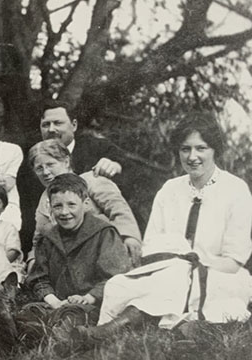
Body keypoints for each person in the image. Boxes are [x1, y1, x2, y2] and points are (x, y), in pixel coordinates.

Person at [72, 113, 252, 346]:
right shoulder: (170, 190)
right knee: (119, 283)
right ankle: (155, 326)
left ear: (214, 150)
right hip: (167, 272)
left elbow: (234, 262)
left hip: (220, 276)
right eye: (185, 149)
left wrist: (190, 263)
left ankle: (110, 330)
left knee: (177, 278)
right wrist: (175, 263)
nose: (192, 157)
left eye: (201, 148)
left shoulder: (235, 190)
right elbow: (152, 248)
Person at [23, 174, 130, 328]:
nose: (64, 212)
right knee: (26, 316)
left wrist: (88, 297)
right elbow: (39, 279)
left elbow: (115, 277)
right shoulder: (48, 238)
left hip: (93, 304)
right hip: (58, 304)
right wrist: (54, 301)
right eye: (57, 206)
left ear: (86, 204)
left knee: (72, 320)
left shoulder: (103, 233)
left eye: (71, 205)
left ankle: (67, 335)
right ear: (50, 207)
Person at [27, 139, 142, 266]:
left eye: (50, 165)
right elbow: (39, 239)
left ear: (66, 161)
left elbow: (118, 209)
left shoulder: (91, 180)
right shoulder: (44, 201)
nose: (46, 172)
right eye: (39, 168)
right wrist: (33, 259)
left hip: (105, 252)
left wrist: (129, 237)